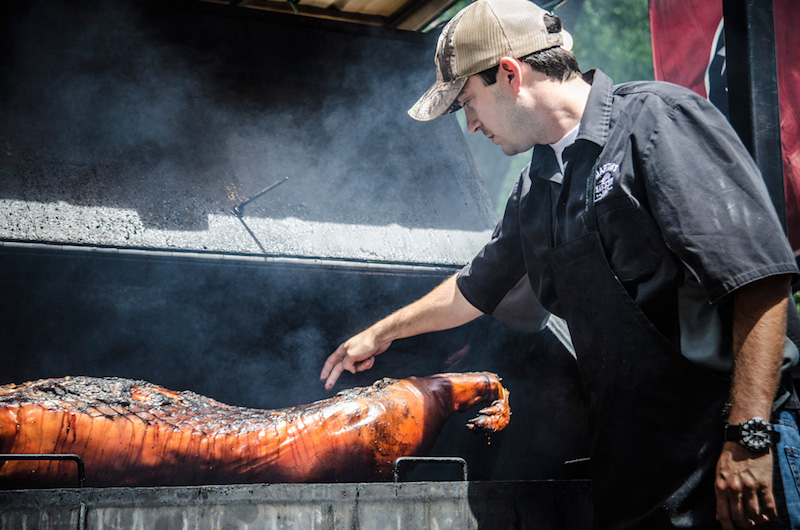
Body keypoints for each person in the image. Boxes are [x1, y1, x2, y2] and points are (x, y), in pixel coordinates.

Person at [319, 0, 800, 528]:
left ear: (509, 73)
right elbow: (475, 288)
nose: (473, 125)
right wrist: (382, 334)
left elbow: (760, 280)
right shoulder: (537, 183)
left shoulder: (658, 123)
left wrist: (749, 437)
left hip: (729, 461)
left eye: (469, 103)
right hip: (639, 476)